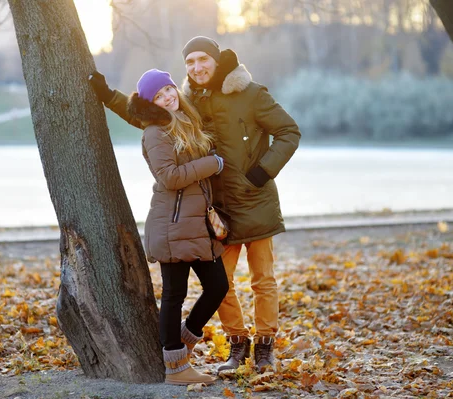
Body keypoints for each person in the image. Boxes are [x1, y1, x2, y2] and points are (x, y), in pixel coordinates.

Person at [89, 37, 301, 373]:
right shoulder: (186, 101)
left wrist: (261, 173)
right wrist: (109, 97)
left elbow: (289, 131)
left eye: (203, 59)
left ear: (217, 61)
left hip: (255, 201)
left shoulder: (252, 94)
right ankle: (236, 344)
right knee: (223, 285)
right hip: (218, 212)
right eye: (190, 62)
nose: (197, 67)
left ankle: (264, 346)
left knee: (264, 280)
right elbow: (149, 116)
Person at [124, 68, 229, 385]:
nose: (167, 97)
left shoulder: (186, 120)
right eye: (158, 96)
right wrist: (213, 163)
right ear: (150, 103)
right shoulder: (155, 131)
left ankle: (181, 347)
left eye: (169, 90)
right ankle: (175, 368)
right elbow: (168, 177)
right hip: (171, 223)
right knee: (174, 294)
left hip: (194, 223)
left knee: (217, 287)